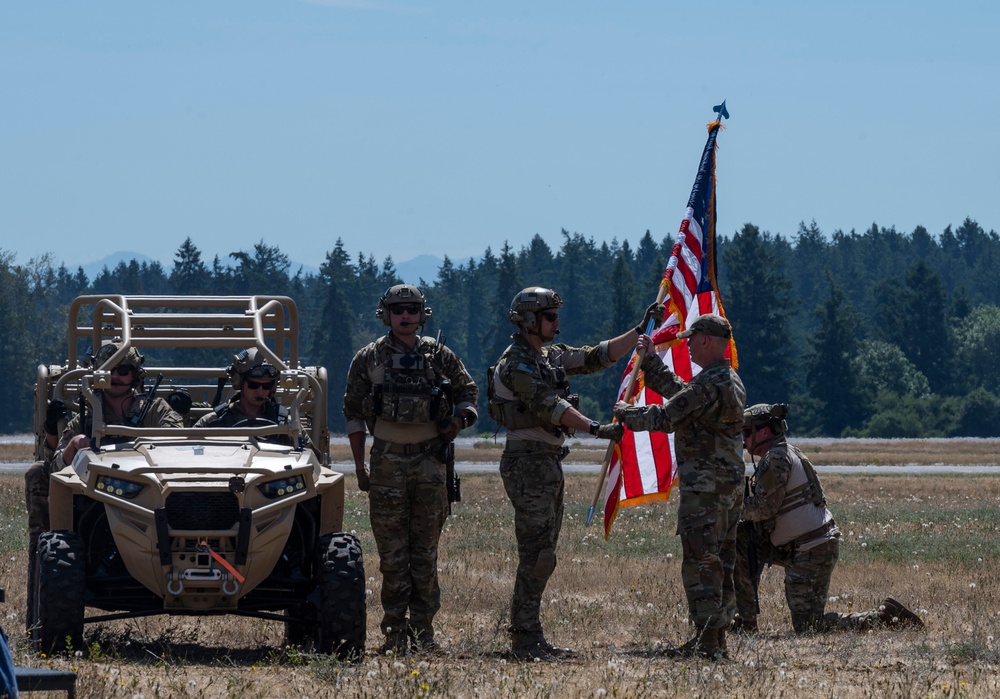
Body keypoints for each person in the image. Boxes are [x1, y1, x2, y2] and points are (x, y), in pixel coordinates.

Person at [490, 286, 663, 660]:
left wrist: (639, 329)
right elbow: (550, 405)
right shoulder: (517, 364)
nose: (556, 322)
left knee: (544, 553)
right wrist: (596, 428)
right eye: (549, 317)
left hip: (547, 462)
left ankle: (530, 634)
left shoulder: (547, 356)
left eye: (555, 315)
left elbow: (595, 356)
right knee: (536, 554)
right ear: (529, 321)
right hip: (528, 462)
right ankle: (524, 638)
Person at [343, 284, 479, 655]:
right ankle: (395, 635)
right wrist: (359, 468)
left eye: (413, 310)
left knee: (425, 553)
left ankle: (423, 634)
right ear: (386, 314)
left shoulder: (440, 356)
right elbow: (353, 414)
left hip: (430, 464)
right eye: (399, 310)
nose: (406, 316)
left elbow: (470, 395)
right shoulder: (368, 359)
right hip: (386, 463)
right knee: (392, 556)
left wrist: (458, 421)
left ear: (423, 314)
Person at [613, 313, 745, 660]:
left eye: (690, 339)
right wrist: (651, 362)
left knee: (702, 564)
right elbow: (682, 396)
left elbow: (667, 416)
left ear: (705, 341)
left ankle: (705, 644)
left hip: (706, 492)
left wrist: (626, 413)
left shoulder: (710, 384)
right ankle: (715, 641)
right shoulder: (727, 379)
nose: (686, 345)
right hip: (727, 490)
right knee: (721, 565)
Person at [734, 402, 924, 634]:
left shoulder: (776, 458)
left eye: (746, 431)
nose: (743, 438)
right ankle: (744, 620)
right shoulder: (784, 452)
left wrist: (729, 507)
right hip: (804, 546)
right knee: (741, 539)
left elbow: (764, 509)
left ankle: (884, 618)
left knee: (809, 627)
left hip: (809, 550)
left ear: (763, 431)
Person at [25, 343, 183, 553]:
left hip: (148, 493)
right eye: (109, 371)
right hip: (98, 497)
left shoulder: (155, 410)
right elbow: (55, 470)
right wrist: (74, 445)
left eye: (123, 370)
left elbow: (176, 441)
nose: (115, 377)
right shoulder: (87, 418)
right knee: (37, 472)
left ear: (134, 375)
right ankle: (42, 553)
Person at [195, 348, 288, 429]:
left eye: (266, 386)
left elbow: (301, 440)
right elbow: (190, 443)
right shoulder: (214, 421)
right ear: (240, 382)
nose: (260, 391)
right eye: (253, 385)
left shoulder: (283, 421)